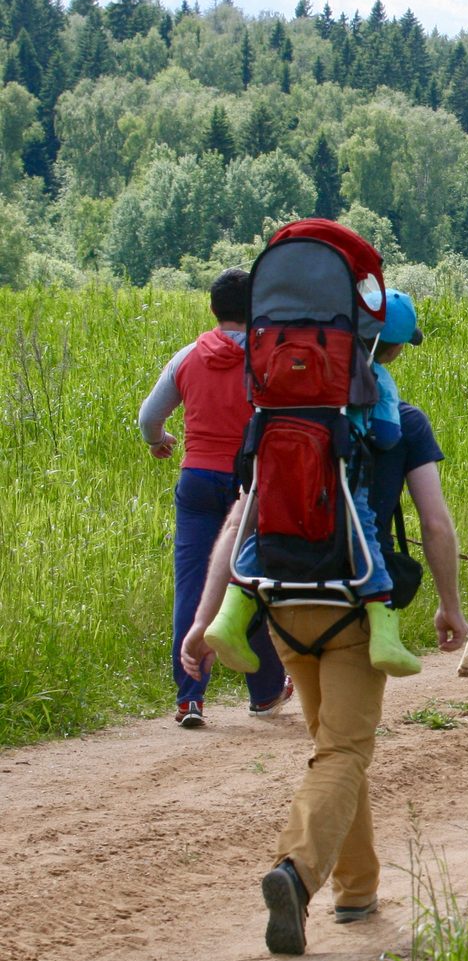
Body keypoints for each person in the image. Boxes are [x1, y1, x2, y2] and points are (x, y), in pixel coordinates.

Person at [179, 290, 466, 955]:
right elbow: (435, 523)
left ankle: (357, 887)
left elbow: (238, 521)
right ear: (392, 349)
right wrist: (450, 605)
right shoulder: (405, 422)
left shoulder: (281, 414)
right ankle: (296, 872)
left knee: (333, 743)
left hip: (279, 603)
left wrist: (204, 619)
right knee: (343, 751)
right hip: (354, 609)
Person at [201, 296, 424, 679]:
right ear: (392, 346)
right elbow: (387, 436)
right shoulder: (374, 374)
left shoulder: (306, 357)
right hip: (339, 470)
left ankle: (228, 618)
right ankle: (384, 631)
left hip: (281, 467)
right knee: (363, 533)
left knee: (271, 525)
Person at [138, 267, 289, 729]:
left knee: (192, 585)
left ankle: (189, 699)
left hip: (197, 480)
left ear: (212, 309)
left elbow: (149, 417)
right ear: (255, 311)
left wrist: (159, 440)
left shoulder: (187, 357)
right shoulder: (269, 359)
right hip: (252, 487)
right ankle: (264, 693)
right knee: (249, 584)